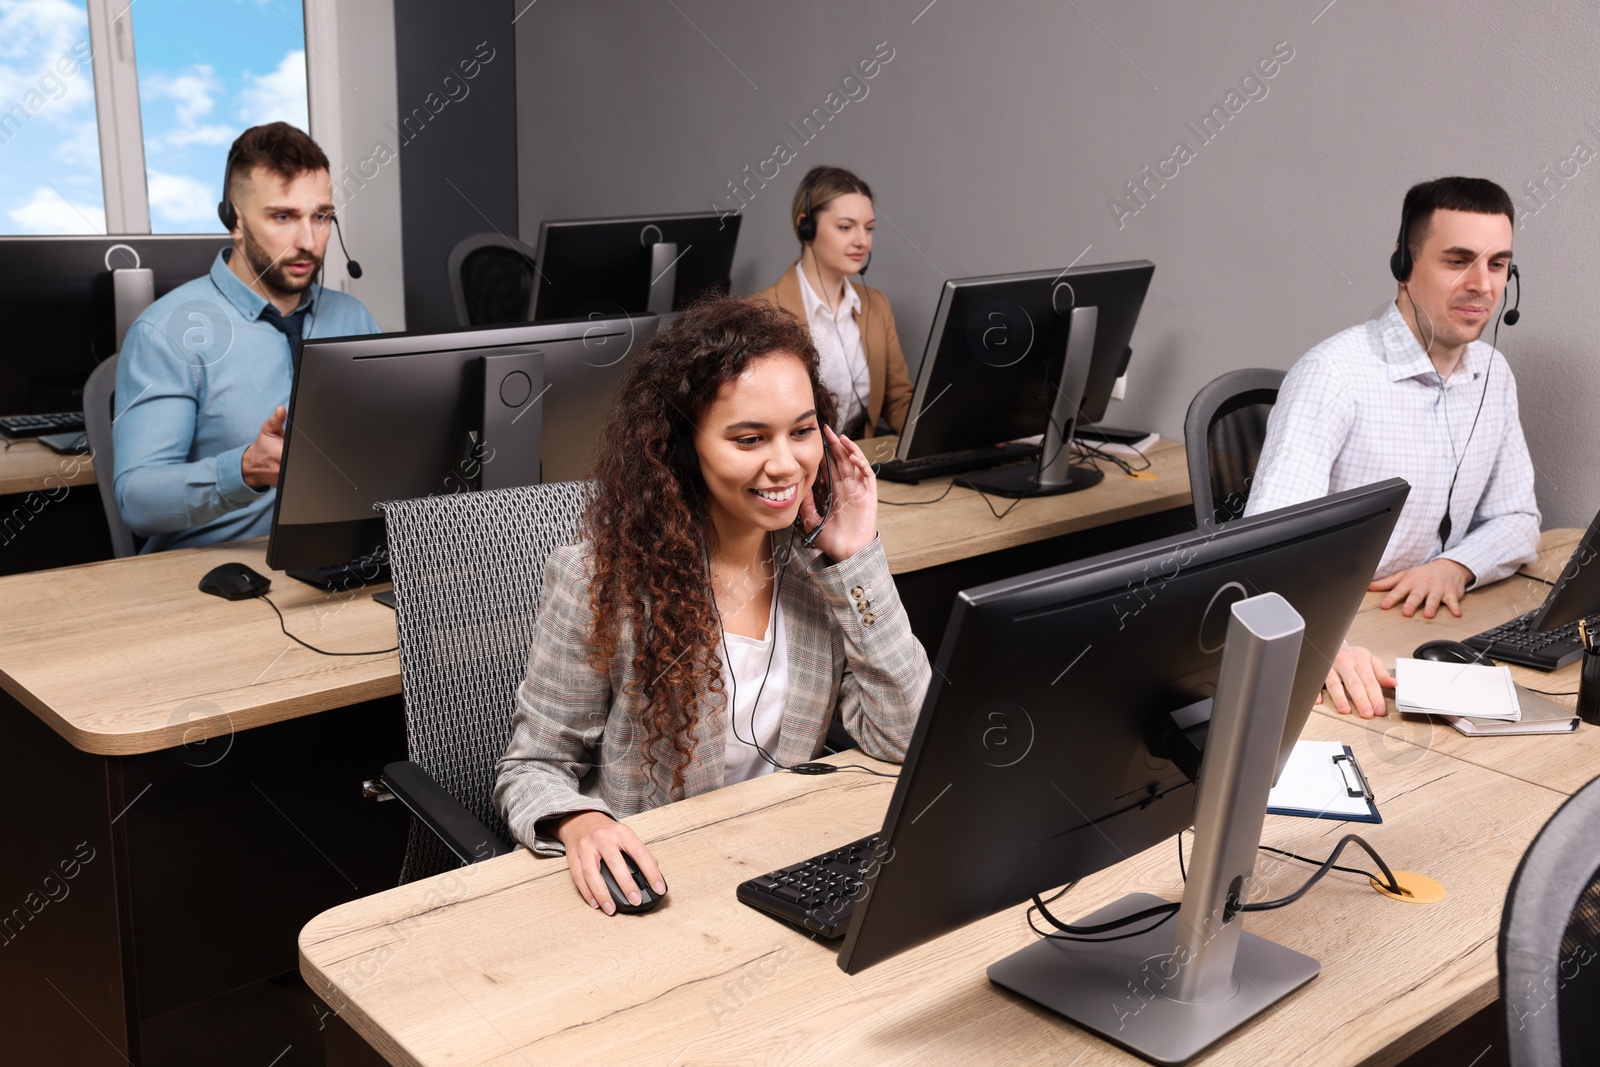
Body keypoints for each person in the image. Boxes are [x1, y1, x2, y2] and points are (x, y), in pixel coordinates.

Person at [494, 296, 930, 914]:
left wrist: (856, 558)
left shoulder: (818, 570)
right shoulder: (602, 580)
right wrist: (579, 822)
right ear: (683, 446)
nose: (785, 464)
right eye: (750, 438)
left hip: (786, 869)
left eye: (803, 431)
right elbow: (532, 766)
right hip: (659, 885)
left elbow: (904, 736)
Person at [1246, 176, 1539, 718]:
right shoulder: (1333, 376)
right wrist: (1318, 645)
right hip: (1333, 638)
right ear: (1403, 264)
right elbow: (1266, 551)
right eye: (1458, 260)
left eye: (1498, 264)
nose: (1483, 285)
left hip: (1421, 626)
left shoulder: (1493, 374)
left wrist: (1456, 564)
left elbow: (1518, 517)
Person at [113, 122, 381, 552]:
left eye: (322, 217)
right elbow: (137, 501)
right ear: (234, 220)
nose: (309, 242)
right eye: (283, 217)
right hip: (214, 576)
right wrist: (244, 469)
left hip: (342, 556)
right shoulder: (167, 331)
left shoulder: (353, 318)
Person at [751, 165, 913, 439]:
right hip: (796, 471)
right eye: (846, 227)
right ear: (807, 227)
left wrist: (962, 435)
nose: (862, 241)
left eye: (869, 228)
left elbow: (897, 401)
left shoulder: (876, 305)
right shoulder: (761, 312)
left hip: (862, 465)